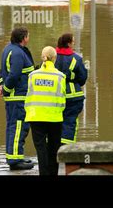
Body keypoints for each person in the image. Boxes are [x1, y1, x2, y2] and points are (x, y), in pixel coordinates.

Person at [25, 46, 67, 176]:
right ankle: (53, 173)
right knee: (54, 148)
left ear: (42, 57)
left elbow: (29, 94)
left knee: (41, 148)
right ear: (55, 58)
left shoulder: (32, 75)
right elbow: (62, 98)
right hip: (54, 118)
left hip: (36, 117)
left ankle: (43, 173)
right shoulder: (60, 76)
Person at [0, 27, 35, 170]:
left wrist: (2, 85)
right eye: (28, 35)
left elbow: (2, 71)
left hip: (14, 97)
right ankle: (15, 160)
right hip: (18, 97)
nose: (29, 38)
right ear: (24, 38)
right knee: (19, 127)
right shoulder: (18, 53)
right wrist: (7, 90)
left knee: (12, 126)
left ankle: (15, 156)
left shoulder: (8, 49)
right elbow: (14, 75)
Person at [55, 33, 88, 145]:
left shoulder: (52, 57)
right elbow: (83, 78)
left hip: (54, 96)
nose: (74, 44)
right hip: (73, 97)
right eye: (73, 42)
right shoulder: (76, 59)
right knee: (70, 123)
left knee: (54, 123)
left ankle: (53, 151)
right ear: (68, 43)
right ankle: (67, 152)